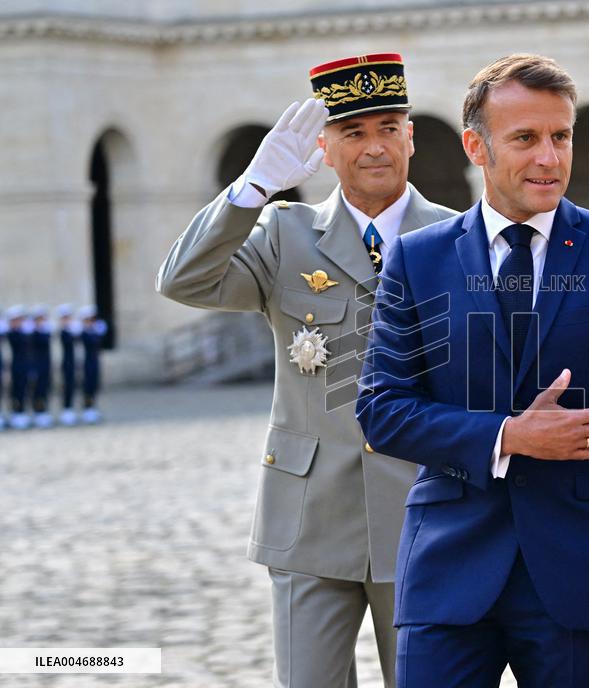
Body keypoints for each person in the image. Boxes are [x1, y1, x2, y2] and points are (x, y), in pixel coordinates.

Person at [356, 54, 589, 688]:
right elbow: (381, 410)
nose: (550, 157)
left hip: (580, 579)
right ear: (476, 147)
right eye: (526, 138)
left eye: (561, 136)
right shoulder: (417, 259)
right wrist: (508, 436)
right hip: (447, 575)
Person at [156, 53, 455, 688]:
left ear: (411, 135)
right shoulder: (283, 235)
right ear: (324, 146)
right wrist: (252, 190)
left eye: (387, 128)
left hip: (427, 513)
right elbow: (185, 279)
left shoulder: (459, 240)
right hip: (310, 517)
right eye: (353, 132)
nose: (373, 147)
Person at [78, 305, 106, 424]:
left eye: (92, 320)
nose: (91, 322)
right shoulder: (84, 333)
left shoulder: (94, 331)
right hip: (87, 362)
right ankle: (87, 408)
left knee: (94, 385)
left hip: (94, 362)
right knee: (87, 386)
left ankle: (93, 408)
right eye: (88, 320)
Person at [5, 305, 32, 430]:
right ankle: (16, 413)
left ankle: (21, 413)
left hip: (25, 365)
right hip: (16, 365)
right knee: (16, 390)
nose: (19, 322)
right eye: (16, 320)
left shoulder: (22, 333)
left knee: (23, 389)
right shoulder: (12, 333)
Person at [28, 305, 54, 428]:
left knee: (45, 388)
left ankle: (44, 411)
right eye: (39, 319)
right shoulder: (32, 334)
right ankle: (38, 412)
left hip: (45, 365)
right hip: (36, 365)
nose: (41, 322)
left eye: (43, 319)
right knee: (37, 390)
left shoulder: (44, 332)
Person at [56, 304, 82, 426]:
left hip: (72, 362)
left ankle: (70, 408)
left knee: (72, 386)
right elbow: (69, 340)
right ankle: (66, 409)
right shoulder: (63, 332)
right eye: (65, 318)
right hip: (66, 363)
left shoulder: (71, 331)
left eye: (68, 318)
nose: (67, 320)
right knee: (67, 386)